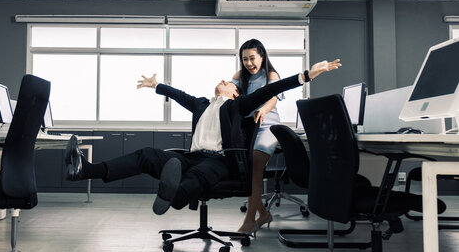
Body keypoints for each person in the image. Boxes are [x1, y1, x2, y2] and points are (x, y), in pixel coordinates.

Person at [64, 59, 341, 216]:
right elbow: (178, 94)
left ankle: (175, 195)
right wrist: (155, 85)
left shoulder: (237, 106)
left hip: (220, 161)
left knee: (199, 175)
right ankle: (84, 169)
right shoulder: (201, 104)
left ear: (235, 93)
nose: (224, 80)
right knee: (147, 154)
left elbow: (272, 88)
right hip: (189, 158)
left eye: (230, 82)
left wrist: (306, 75)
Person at [232, 39, 283, 235]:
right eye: (245, 59)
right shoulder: (240, 76)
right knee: (248, 170)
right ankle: (264, 215)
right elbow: (229, 92)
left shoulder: (271, 74)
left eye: (252, 58)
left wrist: (262, 109)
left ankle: (249, 221)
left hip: (268, 126)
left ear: (262, 57)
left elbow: (273, 98)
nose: (249, 63)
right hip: (248, 127)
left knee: (255, 165)